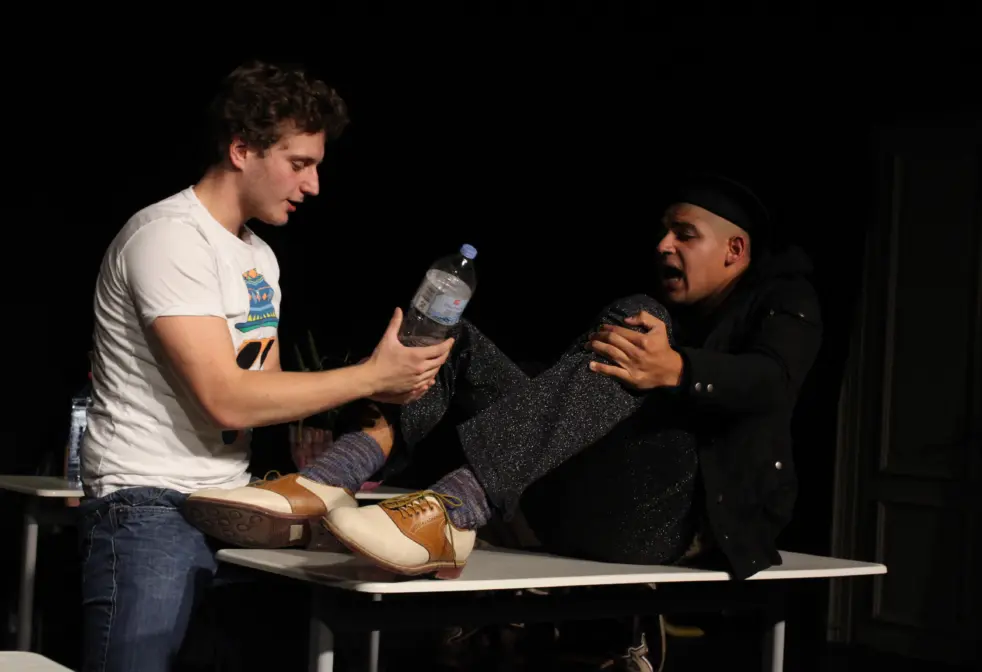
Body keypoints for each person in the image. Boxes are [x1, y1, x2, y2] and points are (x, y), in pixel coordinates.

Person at [182, 173, 823, 590]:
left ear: (734, 252)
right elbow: (556, 396)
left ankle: (453, 510)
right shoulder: (668, 316)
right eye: (663, 232)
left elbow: (772, 382)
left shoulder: (784, 300)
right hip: (578, 503)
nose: (663, 245)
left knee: (635, 319)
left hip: (670, 526)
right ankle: (331, 478)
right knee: (458, 338)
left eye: (684, 235)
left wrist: (677, 369)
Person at [77, 60, 454, 672]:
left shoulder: (259, 258)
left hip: (229, 503)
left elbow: (266, 388)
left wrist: (380, 395)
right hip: (146, 505)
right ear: (241, 150)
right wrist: (370, 375)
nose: (313, 185)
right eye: (299, 163)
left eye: (316, 166)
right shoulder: (168, 237)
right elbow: (225, 399)